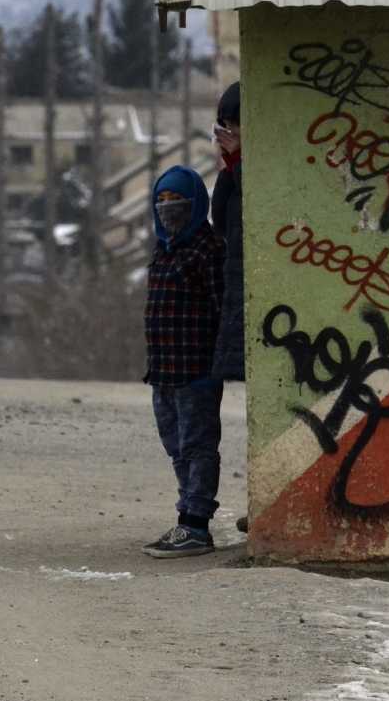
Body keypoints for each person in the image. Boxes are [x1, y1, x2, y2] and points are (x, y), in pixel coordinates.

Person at [142, 163, 228, 558]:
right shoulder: (164, 248)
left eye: (176, 200)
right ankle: (185, 516)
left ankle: (196, 524)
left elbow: (220, 307)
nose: (167, 208)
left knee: (198, 447)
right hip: (163, 370)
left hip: (196, 370)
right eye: (160, 200)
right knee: (176, 446)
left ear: (195, 204)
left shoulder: (208, 248)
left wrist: (218, 364)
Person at [208, 82, 247, 531]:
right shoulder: (230, 174)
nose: (229, 133)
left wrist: (238, 162)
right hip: (237, 291)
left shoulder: (250, 169)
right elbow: (224, 224)